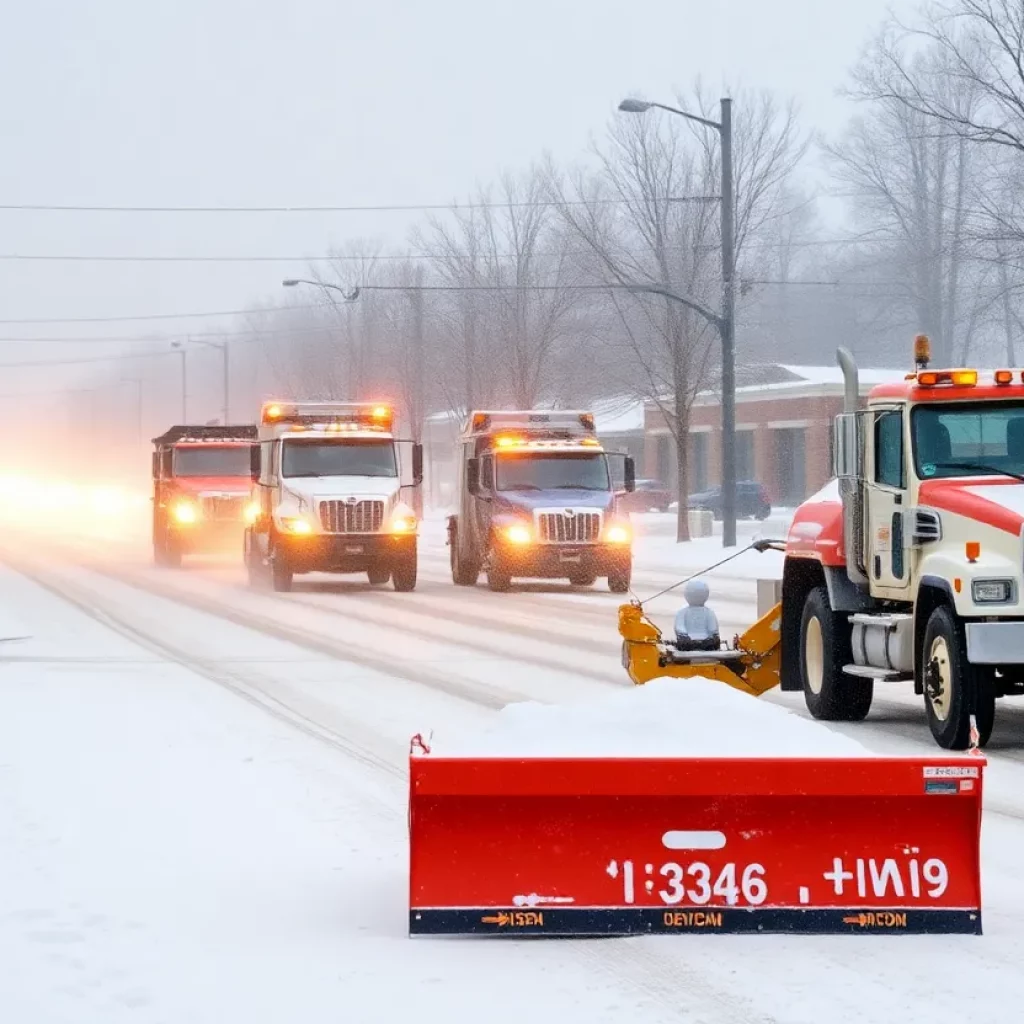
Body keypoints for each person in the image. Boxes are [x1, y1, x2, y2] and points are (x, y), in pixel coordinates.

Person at [673, 579, 721, 651]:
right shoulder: (682, 612)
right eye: (695, 595)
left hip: (706, 640)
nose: (697, 597)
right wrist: (684, 635)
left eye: (699, 595)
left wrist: (711, 637)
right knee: (683, 642)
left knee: (714, 641)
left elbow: (713, 628)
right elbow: (680, 626)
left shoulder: (709, 612)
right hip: (688, 641)